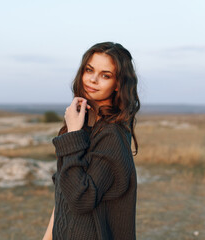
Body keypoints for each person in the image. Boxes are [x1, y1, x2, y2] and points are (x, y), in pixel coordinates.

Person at [42, 42, 140, 240]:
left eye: (105, 75)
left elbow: (81, 199)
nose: (93, 80)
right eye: (89, 70)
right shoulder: (84, 125)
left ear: (118, 84)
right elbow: (65, 193)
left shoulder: (111, 134)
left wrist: (73, 134)